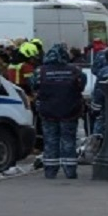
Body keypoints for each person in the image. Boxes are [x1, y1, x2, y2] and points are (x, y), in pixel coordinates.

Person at [34, 44, 86, 179]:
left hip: (48, 111)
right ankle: (70, 171)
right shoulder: (75, 70)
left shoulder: (40, 71)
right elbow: (81, 86)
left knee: (50, 141)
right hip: (70, 111)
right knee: (68, 140)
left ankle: (50, 171)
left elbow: (34, 86)